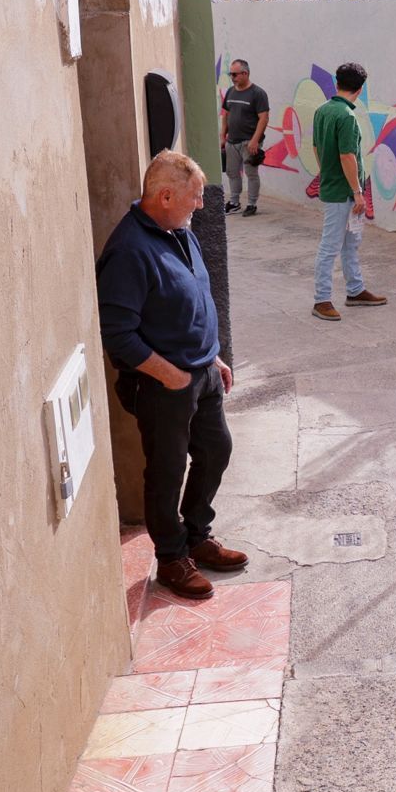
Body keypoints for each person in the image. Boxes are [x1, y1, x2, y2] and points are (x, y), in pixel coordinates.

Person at [97, 151, 247, 600]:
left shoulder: (178, 231)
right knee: (166, 472)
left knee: (216, 450)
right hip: (164, 384)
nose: (201, 205)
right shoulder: (128, 250)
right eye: (195, 197)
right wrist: (170, 375)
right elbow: (118, 335)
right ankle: (171, 559)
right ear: (165, 196)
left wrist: (214, 356)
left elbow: (198, 298)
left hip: (202, 372)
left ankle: (197, 535)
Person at [312, 62, 388, 320]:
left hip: (336, 187)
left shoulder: (323, 110)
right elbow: (348, 156)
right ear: (361, 88)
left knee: (349, 242)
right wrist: (357, 192)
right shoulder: (347, 116)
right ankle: (321, 299)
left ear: (337, 83)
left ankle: (355, 290)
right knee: (331, 245)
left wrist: (327, 173)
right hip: (343, 192)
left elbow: (316, 148)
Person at [220, 58, 269, 216]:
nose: (232, 77)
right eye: (230, 74)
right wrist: (223, 136)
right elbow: (225, 115)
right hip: (232, 141)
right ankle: (234, 202)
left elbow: (264, 118)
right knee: (232, 172)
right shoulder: (230, 91)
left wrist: (255, 140)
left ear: (245, 73)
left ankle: (252, 203)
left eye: (234, 74)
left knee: (251, 173)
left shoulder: (258, 93)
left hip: (249, 142)